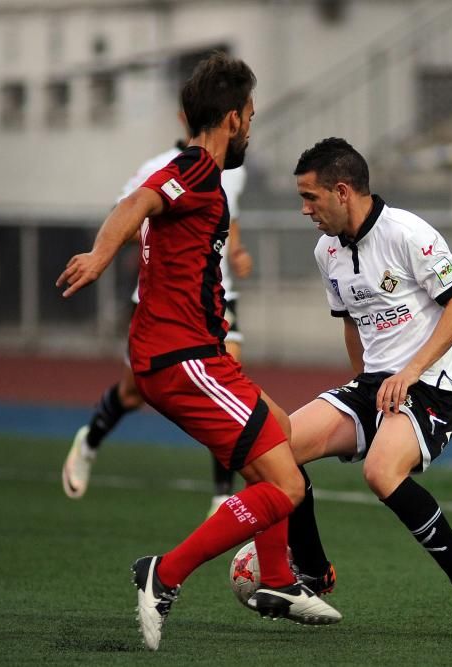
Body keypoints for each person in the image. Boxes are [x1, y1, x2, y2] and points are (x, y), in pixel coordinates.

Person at [56, 53, 340, 652]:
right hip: (181, 357)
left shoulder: (206, 180)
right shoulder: (193, 170)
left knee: (282, 437)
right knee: (285, 487)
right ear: (232, 119)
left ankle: (281, 581)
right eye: (252, 117)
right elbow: (136, 206)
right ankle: (164, 573)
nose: (252, 127)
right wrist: (101, 255)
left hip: (197, 353)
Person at [282, 137, 452, 640]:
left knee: (382, 473)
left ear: (342, 192)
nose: (304, 210)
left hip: (432, 385)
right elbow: (351, 323)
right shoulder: (326, 250)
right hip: (375, 385)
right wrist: (362, 384)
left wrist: (409, 371)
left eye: (310, 197)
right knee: (277, 447)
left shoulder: (409, 233)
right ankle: (313, 572)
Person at [62, 117, 253, 517]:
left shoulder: (233, 172)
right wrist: (158, 223)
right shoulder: (161, 167)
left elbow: (228, 218)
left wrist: (235, 249)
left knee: (229, 381)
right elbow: (125, 212)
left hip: (217, 294)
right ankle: (91, 438)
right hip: (161, 299)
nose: (245, 125)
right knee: (134, 393)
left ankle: (221, 497)